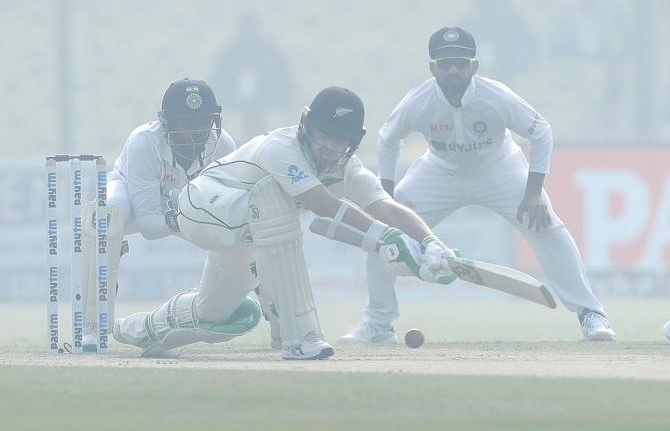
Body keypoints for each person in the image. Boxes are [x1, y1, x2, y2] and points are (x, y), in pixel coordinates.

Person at [112, 86, 458, 360]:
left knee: (213, 313)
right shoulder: (281, 148)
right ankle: (300, 337)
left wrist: (431, 244)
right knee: (274, 199)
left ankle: (144, 328)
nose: (330, 147)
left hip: (246, 231)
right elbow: (322, 204)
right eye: (325, 135)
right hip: (203, 205)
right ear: (307, 125)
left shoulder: (344, 167)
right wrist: (385, 239)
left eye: (341, 141)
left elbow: (387, 206)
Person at [339, 27, 616, 344]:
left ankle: (591, 315)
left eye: (460, 62)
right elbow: (388, 140)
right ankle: (378, 324)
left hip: (499, 169)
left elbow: (541, 132)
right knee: (384, 232)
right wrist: (386, 198)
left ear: (474, 65)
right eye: (445, 64)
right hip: (439, 173)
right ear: (433, 68)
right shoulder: (418, 101)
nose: (453, 70)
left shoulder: (495, 97)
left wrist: (533, 192)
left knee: (547, 226)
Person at [81, 78, 236, 351]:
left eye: (202, 122)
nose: (195, 133)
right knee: (107, 216)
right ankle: (93, 326)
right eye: (186, 124)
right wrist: (190, 218)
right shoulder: (144, 143)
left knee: (245, 231)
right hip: (132, 197)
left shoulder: (223, 145)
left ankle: (280, 326)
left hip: (185, 209)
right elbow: (150, 225)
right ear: (166, 123)